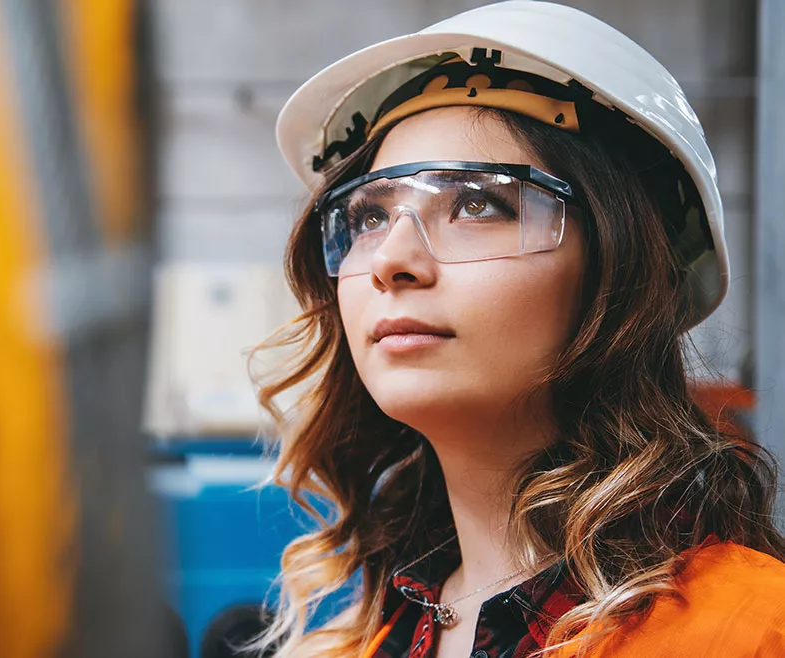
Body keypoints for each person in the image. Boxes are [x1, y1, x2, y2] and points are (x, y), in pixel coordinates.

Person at [249, 2, 785, 657]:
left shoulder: (754, 630)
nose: (390, 260)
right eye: (367, 218)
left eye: (478, 203)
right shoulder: (343, 646)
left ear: (621, 271)